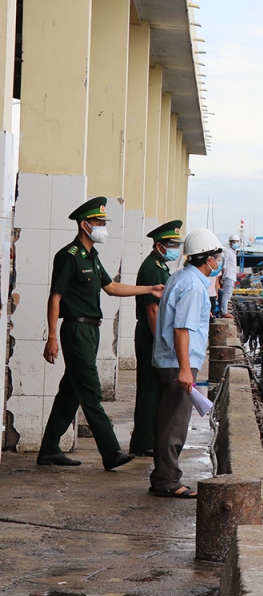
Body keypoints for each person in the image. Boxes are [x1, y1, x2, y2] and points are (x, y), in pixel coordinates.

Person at [38, 197, 164, 469]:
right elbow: (55, 297)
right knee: (92, 393)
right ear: (85, 225)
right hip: (76, 329)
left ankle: (48, 450)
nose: (102, 227)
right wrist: (51, 337)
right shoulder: (69, 256)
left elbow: (112, 288)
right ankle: (111, 452)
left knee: (71, 392)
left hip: (91, 330)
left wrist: (149, 289)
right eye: (98, 222)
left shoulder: (92, 257)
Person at [149, 228, 222, 498]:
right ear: (207, 259)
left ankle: (163, 476)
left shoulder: (180, 277)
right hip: (178, 362)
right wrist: (184, 369)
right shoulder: (193, 286)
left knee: (167, 420)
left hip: (169, 360)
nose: (218, 262)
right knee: (174, 425)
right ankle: (167, 481)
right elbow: (182, 329)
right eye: (217, 257)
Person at [128, 220, 182, 456]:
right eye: (172, 244)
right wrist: (161, 340)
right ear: (160, 245)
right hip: (151, 333)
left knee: (155, 387)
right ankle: (143, 442)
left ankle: (148, 437)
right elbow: (153, 310)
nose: (175, 249)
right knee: (149, 387)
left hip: (154, 333)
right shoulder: (152, 268)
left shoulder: (159, 265)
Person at [218, 234, 239, 318]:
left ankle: (224, 310)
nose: (237, 244)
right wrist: (222, 277)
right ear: (231, 243)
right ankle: (224, 312)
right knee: (226, 294)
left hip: (232, 276)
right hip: (228, 276)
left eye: (238, 242)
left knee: (228, 294)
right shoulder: (228, 253)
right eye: (235, 242)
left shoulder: (233, 253)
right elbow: (224, 266)